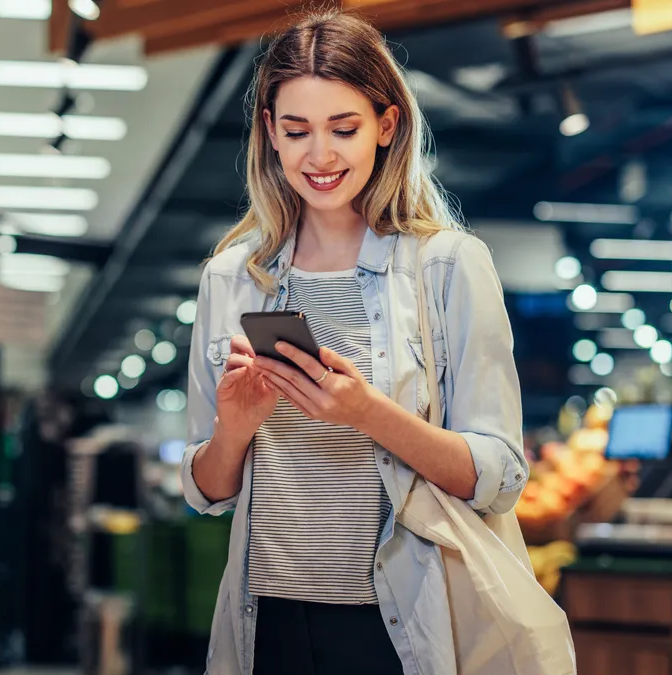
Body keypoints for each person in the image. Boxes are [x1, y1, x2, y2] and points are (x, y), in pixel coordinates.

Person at [180, 10, 528, 675]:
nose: (320, 157)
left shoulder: (448, 266)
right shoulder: (231, 278)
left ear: (386, 126)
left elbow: (500, 475)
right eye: (297, 131)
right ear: (269, 135)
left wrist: (366, 411)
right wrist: (234, 430)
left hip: (399, 625)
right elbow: (206, 491)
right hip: (266, 621)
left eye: (344, 129)